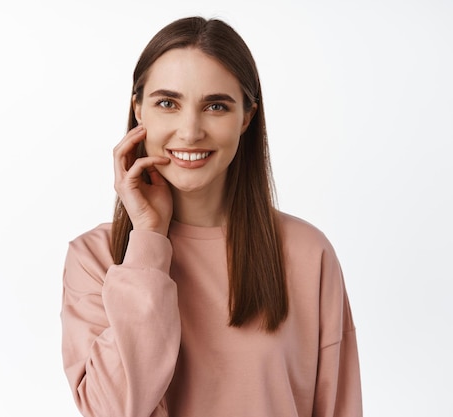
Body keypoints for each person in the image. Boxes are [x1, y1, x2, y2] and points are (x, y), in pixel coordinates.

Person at [60, 16, 362, 417]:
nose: (189, 131)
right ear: (138, 110)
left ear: (246, 117)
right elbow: (112, 411)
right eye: (168, 103)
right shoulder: (95, 258)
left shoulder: (307, 253)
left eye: (216, 106)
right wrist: (149, 239)